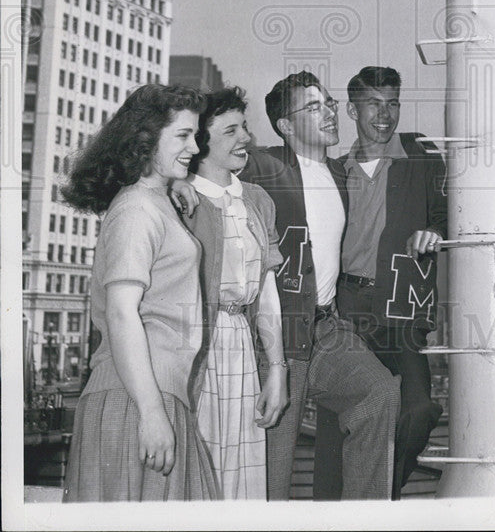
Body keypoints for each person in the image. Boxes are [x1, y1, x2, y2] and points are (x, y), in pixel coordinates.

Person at [240, 70, 401, 500]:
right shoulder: (266, 166)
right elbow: (212, 158)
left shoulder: (339, 172)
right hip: (280, 331)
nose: (329, 112)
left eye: (329, 102)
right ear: (286, 126)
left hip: (327, 327)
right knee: (275, 460)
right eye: (314, 107)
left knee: (379, 393)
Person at [61, 84, 218, 502]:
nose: (195, 146)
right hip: (135, 398)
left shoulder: (153, 200)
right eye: (183, 135)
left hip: (151, 393)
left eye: (197, 135)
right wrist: (151, 413)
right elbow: (121, 314)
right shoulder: (136, 208)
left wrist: (174, 185)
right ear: (146, 140)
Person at [313, 65, 447, 499]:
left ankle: (376, 495)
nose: (384, 114)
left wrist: (435, 233)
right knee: (346, 419)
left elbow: (449, 217)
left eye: (392, 103)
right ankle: (339, 514)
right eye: (373, 104)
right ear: (352, 109)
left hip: (402, 305)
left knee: (419, 409)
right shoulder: (333, 171)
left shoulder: (421, 154)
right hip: (346, 309)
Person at [181, 86, 288, 499]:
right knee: (199, 473)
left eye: (244, 127)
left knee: (241, 480)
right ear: (200, 142)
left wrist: (276, 370)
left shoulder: (258, 199)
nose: (245, 137)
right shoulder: (178, 199)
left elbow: (267, 294)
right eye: (230, 131)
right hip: (194, 350)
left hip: (240, 344)